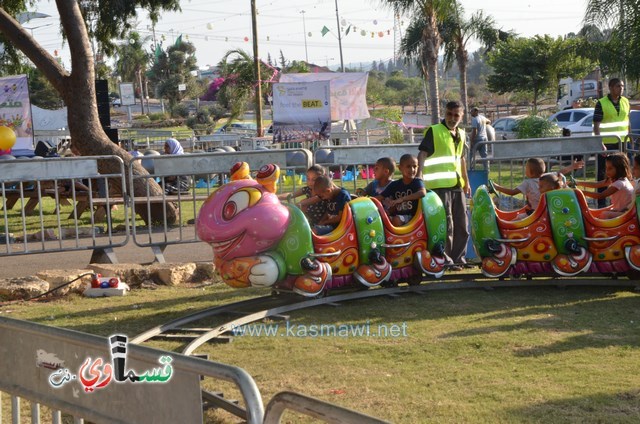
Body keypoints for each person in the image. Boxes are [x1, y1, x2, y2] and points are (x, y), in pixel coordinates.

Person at [417, 100, 470, 270]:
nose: (452, 118)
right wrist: (419, 175)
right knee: (447, 225)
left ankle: (459, 259)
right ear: (444, 113)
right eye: (449, 114)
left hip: (456, 185)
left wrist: (466, 182)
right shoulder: (434, 131)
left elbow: (461, 158)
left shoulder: (461, 134)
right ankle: (446, 260)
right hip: (438, 186)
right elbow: (422, 153)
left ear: (461, 116)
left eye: (456, 115)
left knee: (462, 224)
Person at [493, 158, 584, 213]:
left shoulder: (527, 183)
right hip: (549, 208)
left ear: (531, 172)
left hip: (535, 211)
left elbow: (512, 192)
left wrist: (497, 187)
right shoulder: (548, 176)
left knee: (517, 219)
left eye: (526, 169)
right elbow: (561, 172)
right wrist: (572, 166)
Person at [593, 78, 630, 207]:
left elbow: (627, 121)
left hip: (623, 143)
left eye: (622, 86)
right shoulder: (601, 103)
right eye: (618, 86)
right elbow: (596, 125)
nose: (621, 88)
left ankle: (624, 203)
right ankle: (601, 204)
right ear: (610, 87)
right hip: (607, 145)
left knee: (624, 173)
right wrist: (600, 143)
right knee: (604, 175)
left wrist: (629, 137)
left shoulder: (625, 101)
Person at [575, 153, 634, 218]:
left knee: (604, 214)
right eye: (606, 168)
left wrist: (579, 192)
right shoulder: (615, 179)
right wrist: (577, 182)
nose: (607, 171)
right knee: (601, 213)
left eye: (610, 168)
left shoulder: (619, 183)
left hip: (626, 213)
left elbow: (601, 195)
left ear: (620, 169)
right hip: (621, 210)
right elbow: (597, 184)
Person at [376, 154, 426, 226]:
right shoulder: (395, 185)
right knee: (380, 219)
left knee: (397, 219)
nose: (412, 170)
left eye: (414, 167)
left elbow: (422, 192)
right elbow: (380, 197)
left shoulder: (417, 182)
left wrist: (402, 199)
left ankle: (401, 237)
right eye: (408, 167)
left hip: (411, 217)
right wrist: (366, 201)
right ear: (400, 168)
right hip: (396, 214)